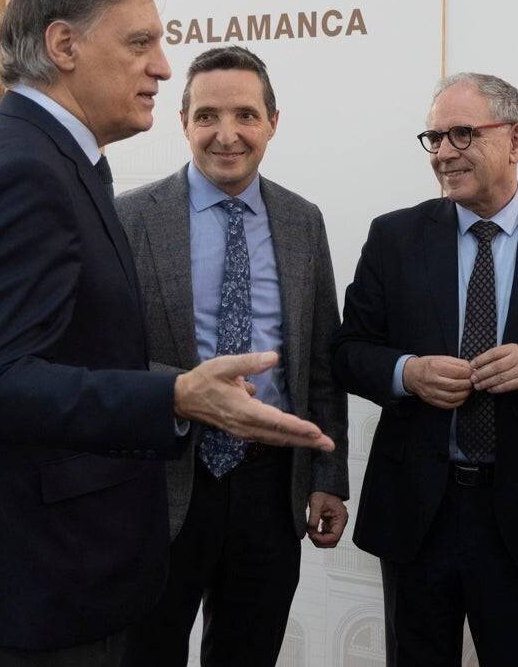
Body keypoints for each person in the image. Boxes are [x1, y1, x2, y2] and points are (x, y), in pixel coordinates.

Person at [0, 0, 333, 667]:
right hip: (27, 588)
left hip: (41, 574)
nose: (161, 67)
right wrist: (177, 394)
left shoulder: (41, 158)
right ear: (64, 45)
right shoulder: (25, 170)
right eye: (140, 43)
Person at [332, 72, 518, 666]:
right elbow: (347, 351)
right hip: (417, 515)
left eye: (462, 134)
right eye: (434, 138)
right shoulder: (394, 237)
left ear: (517, 140)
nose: (443, 153)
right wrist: (407, 372)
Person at [116, 45, 348, 667]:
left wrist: (327, 478)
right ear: (183, 123)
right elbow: (105, 360)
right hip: (160, 484)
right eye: (207, 116)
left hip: (271, 490)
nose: (227, 135)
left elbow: (321, 365)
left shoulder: (302, 221)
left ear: (273, 122)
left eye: (245, 115)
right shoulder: (129, 218)